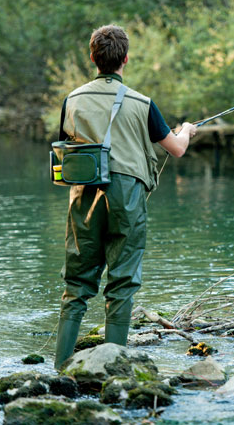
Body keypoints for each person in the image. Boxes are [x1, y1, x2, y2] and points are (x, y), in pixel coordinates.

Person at [53, 24, 197, 370]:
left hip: (83, 195)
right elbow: (176, 149)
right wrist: (187, 130)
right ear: (126, 59)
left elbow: (65, 147)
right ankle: (113, 369)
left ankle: (59, 369)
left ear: (92, 58)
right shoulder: (142, 103)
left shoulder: (72, 99)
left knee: (77, 284)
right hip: (128, 195)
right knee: (122, 281)